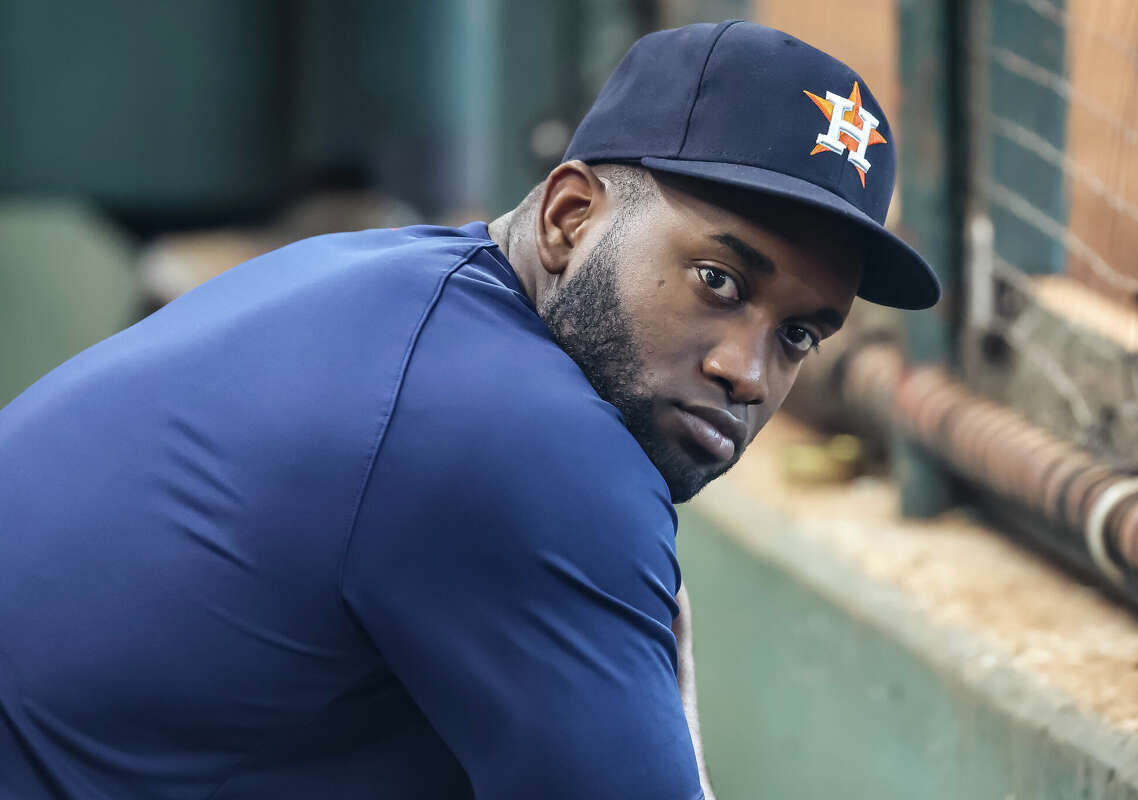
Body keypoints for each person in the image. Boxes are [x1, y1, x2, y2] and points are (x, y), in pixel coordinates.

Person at [0, 19, 938, 800]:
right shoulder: (525, 439)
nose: (749, 372)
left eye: (801, 336)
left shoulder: (403, 288)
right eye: (719, 280)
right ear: (572, 219)